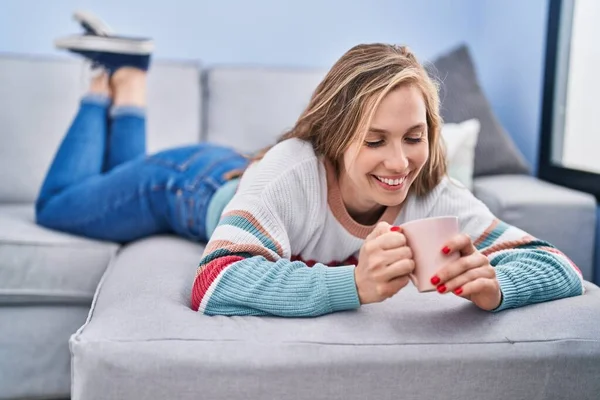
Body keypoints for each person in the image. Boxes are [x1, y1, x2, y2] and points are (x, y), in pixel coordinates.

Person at [38, 12, 585, 318]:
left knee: (102, 187)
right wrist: (354, 287)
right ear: (336, 136)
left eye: (413, 137)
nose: (400, 163)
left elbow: (559, 266)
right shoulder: (296, 168)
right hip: (186, 185)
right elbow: (215, 282)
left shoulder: (430, 189)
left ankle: (126, 78)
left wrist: (495, 284)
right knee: (58, 204)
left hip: (239, 176)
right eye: (375, 141)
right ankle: (108, 82)